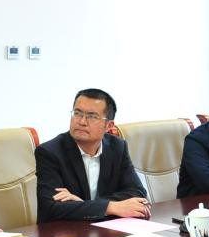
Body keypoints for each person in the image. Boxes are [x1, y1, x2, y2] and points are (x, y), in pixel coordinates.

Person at [35, 88, 149, 223]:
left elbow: (137, 192)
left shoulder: (117, 147)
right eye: (77, 113)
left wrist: (84, 204)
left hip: (104, 228)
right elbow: (50, 207)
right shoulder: (49, 152)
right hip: (64, 231)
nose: (82, 121)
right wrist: (110, 207)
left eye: (92, 116)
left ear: (109, 125)